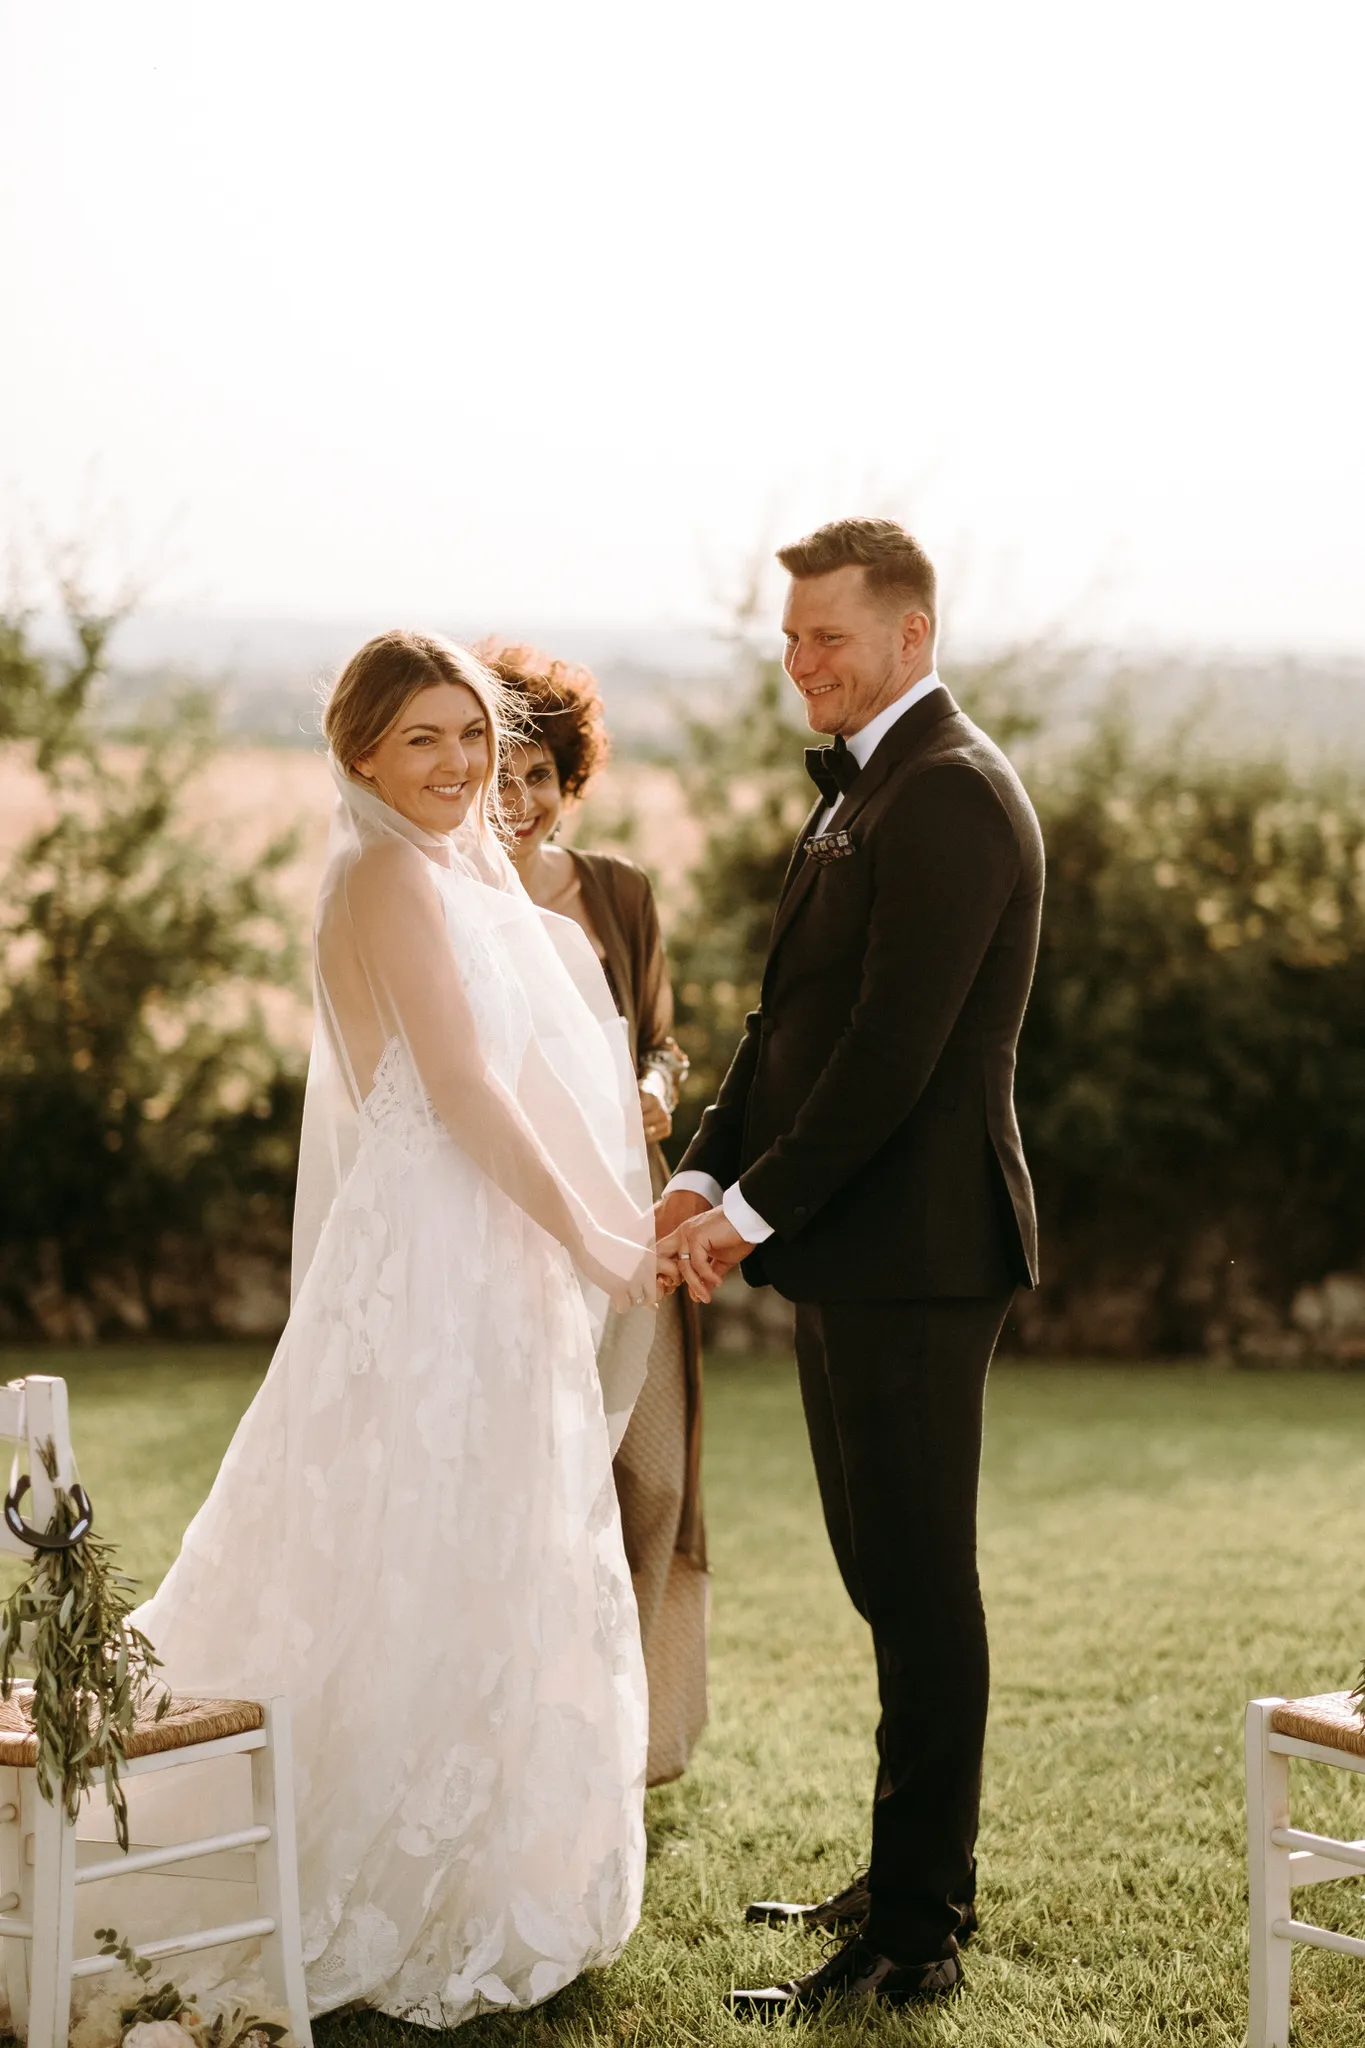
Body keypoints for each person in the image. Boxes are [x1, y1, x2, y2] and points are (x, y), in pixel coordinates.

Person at [131, 632, 667, 2030]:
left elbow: (537, 1084)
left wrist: (609, 1220)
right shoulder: (382, 875)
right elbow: (470, 1095)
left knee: (486, 1543)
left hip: (485, 1247)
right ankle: (383, 1871)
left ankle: (493, 1869)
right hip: (436, 1256)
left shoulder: (450, 876)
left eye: (471, 738)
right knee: (411, 1539)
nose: (455, 766)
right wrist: (597, 1236)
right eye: (421, 739)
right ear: (360, 750)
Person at [658, 519, 1045, 2017]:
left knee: (919, 1581)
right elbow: (785, 1023)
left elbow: (894, 1056)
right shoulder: (859, 796)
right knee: (883, 1574)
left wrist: (742, 1218)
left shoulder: (946, 794)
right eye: (790, 638)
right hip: (853, 1251)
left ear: (910, 637)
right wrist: (699, 1164)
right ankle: (902, 1876)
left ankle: (916, 1936)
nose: (801, 661)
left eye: (829, 635)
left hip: (924, 1248)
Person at [480, 639, 708, 1788]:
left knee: (651, 1473)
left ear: (572, 782)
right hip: (519, 1228)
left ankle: (635, 1732)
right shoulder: (451, 901)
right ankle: (539, 1741)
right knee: (542, 1479)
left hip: (631, 1220)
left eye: (540, 776)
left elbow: (665, 1038)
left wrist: (654, 1092)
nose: (519, 800)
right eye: (499, 774)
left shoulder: (619, 891)